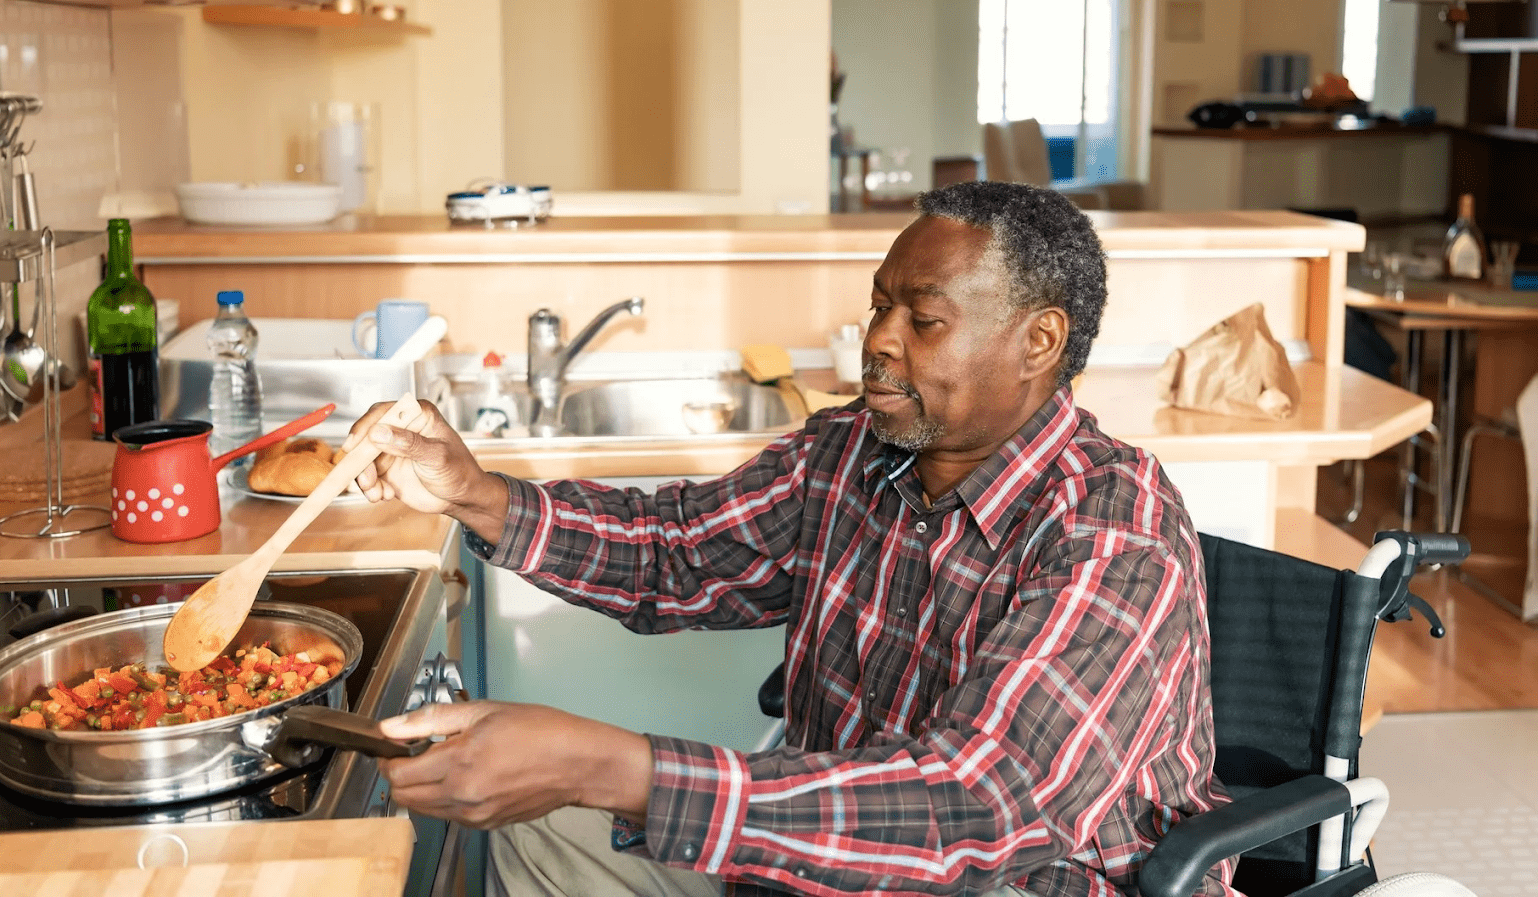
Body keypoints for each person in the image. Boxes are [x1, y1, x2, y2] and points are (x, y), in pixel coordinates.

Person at [348, 181, 1230, 897]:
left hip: (1012, 885)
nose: (877, 342)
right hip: (822, 864)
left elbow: (975, 803)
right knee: (539, 833)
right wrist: (477, 496)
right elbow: (678, 549)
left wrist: (614, 766)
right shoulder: (849, 450)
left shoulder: (1114, 532)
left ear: (1039, 342)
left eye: (921, 320)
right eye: (879, 305)